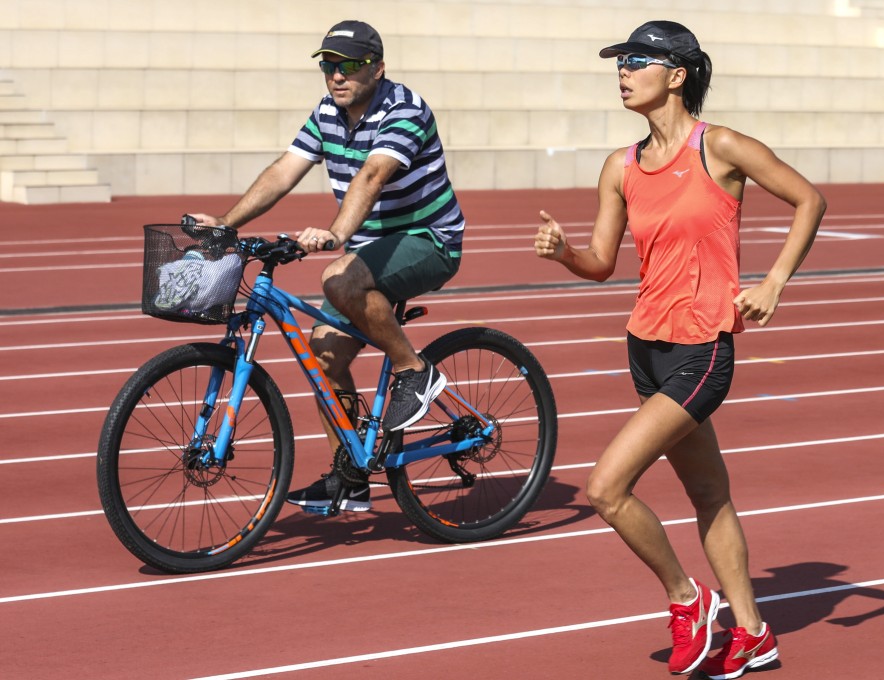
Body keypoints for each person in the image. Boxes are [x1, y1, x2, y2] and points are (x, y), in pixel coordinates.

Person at [533, 20, 825, 679]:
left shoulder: (719, 147)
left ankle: (686, 598)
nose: (622, 72)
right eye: (618, 62)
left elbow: (810, 198)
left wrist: (774, 282)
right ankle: (752, 631)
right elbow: (603, 262)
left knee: (606, 488)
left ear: (678, 73)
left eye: (635, 60)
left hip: (701, 351)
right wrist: (565, 253)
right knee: (709, 494)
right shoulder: (621, 165)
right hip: (644, 348)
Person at [190, 20, 464, 513]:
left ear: (378, 68)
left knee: (338, 277)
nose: (337, 75)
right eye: (328, 65)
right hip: (370, 250)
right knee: (323, 354)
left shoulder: (405, 110)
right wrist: (227, 223)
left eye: (351, 65)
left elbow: (373, 175)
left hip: (429, 241)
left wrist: (336, 233)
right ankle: (350, 475)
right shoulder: (327, 112)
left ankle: (414, 370)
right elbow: (283, 170)